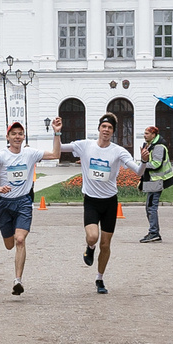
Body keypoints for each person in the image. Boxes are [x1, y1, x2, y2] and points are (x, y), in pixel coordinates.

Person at [45, 111, 139, 294]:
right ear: (99, 128)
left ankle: (100, 279)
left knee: (106, 244)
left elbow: (138, 171)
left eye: (110, 127)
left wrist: (143, 161)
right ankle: (90, 248)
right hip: (91, 201)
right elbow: (59, 150)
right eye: (104, 126)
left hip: (110, 202)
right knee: (93, 237)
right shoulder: (85, 145)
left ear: (113, 131)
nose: (106, 130)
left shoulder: (118, 151)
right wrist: (57, 132)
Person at [0, 119, 43, 294]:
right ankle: (17, 276)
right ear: (7, 137)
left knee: (20, 240)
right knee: (9, 244)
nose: (17, 137)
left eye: (20, 134)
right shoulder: (0, 155)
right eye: (14, 134)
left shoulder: (30, 153)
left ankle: (18, 280)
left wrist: (57, 132)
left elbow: (55, 153)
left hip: (24, 201)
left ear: (24, 136)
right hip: (5, 204)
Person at [137, 124, 171, 242]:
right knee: (149, 207)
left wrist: (142, 164)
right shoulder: (150, 145)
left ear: (153, 134)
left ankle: (154, 233)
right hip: (152, 181)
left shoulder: (158, 147)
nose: (144, 135)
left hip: (156, 181)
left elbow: (156, 164)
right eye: (144, 133)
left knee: (151, 208)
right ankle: (153, 232)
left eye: (147, 133)